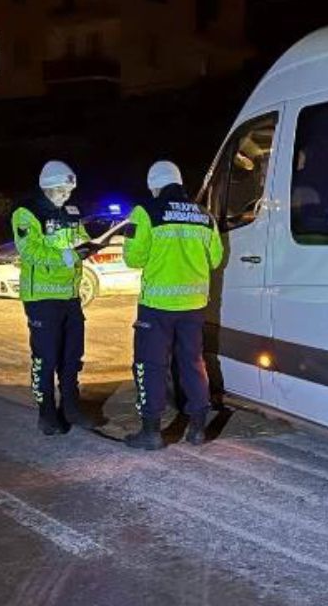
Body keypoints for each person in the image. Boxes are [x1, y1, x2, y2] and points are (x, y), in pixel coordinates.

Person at [122, 160, 224, 450]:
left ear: (154, 185)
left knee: (151, 365)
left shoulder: (146, 212)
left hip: (157, 306)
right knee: (193, 362)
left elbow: (133, 259)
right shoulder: (204, 216)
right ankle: (197, 429)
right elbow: (215, 259)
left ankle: (151, 432)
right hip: (193, 305)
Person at [10, 160, 103, 435]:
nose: (66, 195)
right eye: (62, 190)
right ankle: (47, 414)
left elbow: (82, 236)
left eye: (70, 190)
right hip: (41, 296)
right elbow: (30, 252)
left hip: (70, 294)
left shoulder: (72, 211)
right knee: (46, 358)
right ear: (47, 187)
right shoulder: (26, 212)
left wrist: (91, 245)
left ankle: (71, 408)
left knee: (72, 355)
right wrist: (69, 255)